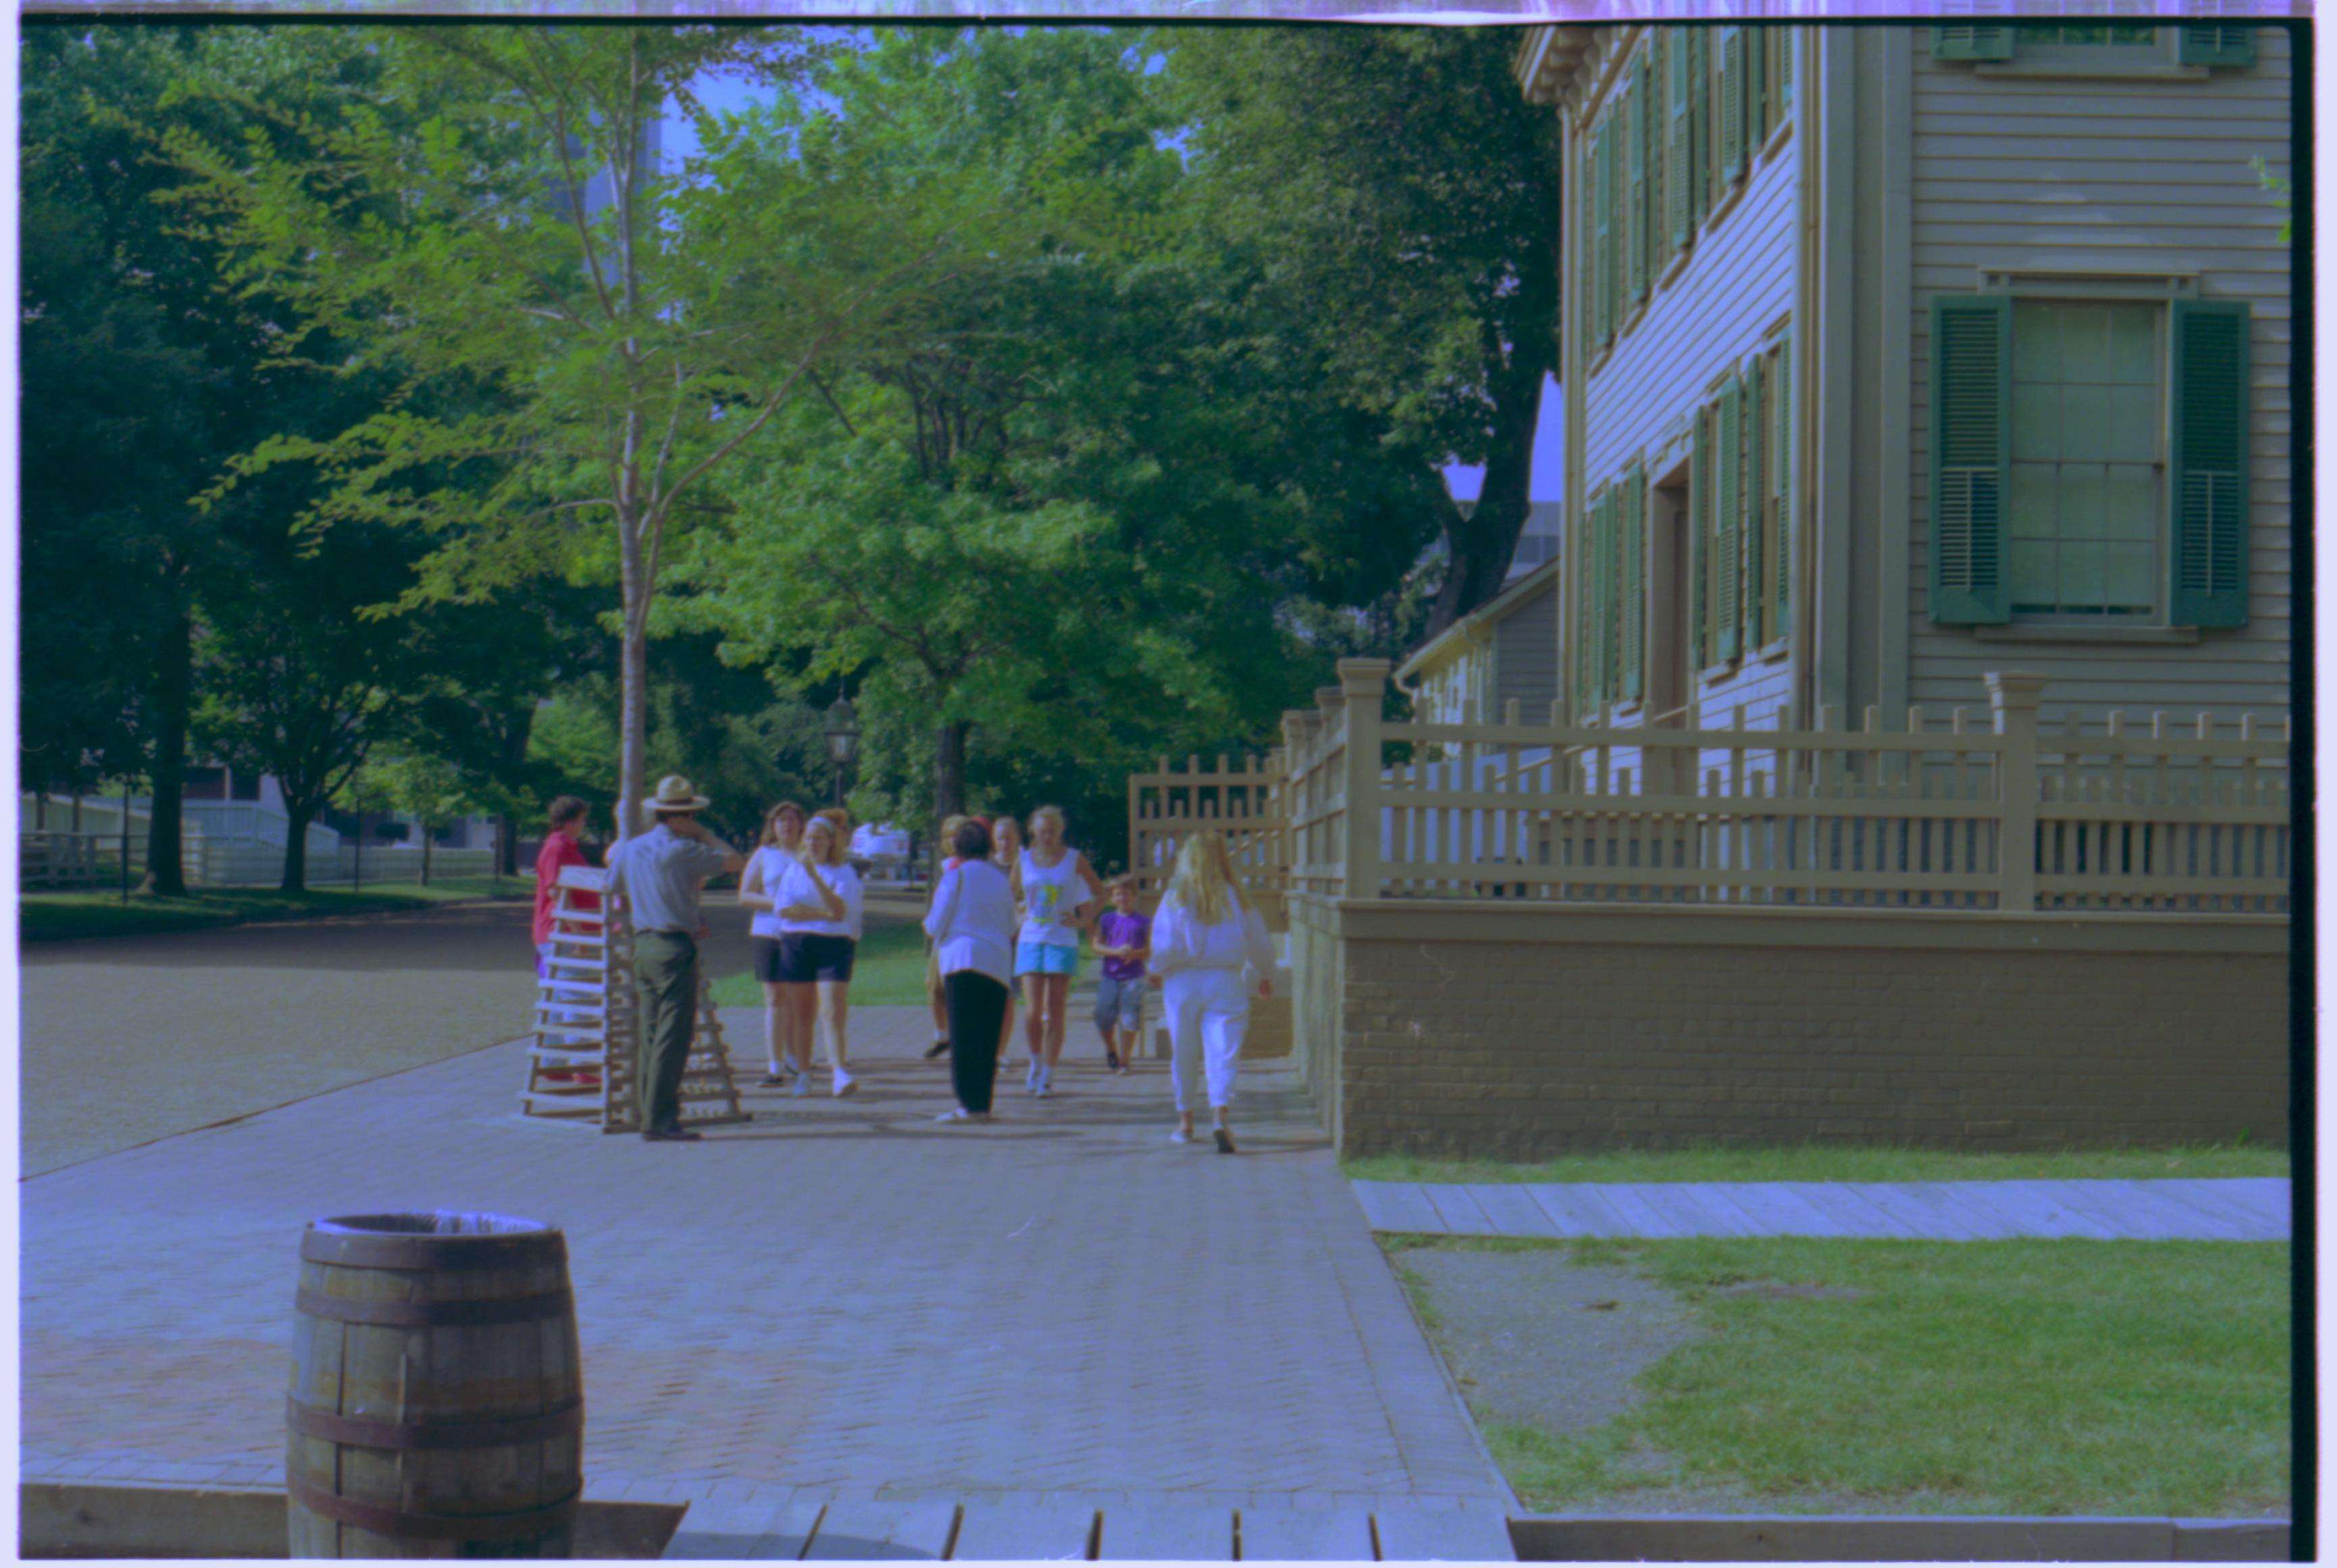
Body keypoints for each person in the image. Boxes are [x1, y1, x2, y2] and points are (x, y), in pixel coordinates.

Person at [604, 775, 745, 1143]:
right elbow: (735, 860)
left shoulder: (632, 848)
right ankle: (662, 1118)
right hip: (674, 945)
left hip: (643, 944)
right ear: (683, 816)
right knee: (673, 1036)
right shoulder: (685, 849)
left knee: (650, 1033)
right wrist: (703, 834)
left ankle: (648, 1112)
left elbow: (614, 884)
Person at [1147, 831, 1274, 1153]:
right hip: (1225, 979)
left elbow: (1168, 944)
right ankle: (1220, 1115)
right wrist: (1265, 973)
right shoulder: (1237, 897)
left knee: (1184, 1052)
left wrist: (1156, 968)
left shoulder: (1175, 895)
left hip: (1183, 981)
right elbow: (1259, 941)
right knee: (1223, 1051)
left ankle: (1186, 1123)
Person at [924, 818, 1016, 1124]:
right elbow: (1011, 925)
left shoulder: (955, 877)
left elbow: (936, 924)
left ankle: (966, 1103)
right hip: (996, 962)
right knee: (988, 1036)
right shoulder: (1000, 880)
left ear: (958, 847)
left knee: (964, 1036)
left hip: (962, 960)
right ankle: (983, 1102)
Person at [1011, 805, 1106, 1098]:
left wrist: (1083, 919)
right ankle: (1035, 1062)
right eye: (1042, 832)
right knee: (1033, 1011)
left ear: (1060, 831)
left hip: (1062, 939)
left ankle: (1049, 1074)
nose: (1047, 837)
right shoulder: (1024, 859)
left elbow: (1100, 893)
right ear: (1033, 832)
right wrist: (1018, 915)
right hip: (1031, 939)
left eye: (1052, 831)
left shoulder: (1074, 859)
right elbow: (1009, 893)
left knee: (1055, 1010)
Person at [783, 810, 864, 1096]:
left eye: (819, 838)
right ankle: (803, 1074)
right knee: (802, 1012)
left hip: (834, 944)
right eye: (809, 838)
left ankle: (838, 1071)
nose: (813, 843)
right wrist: (822, 913)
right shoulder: (792, 870)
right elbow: (786, 910)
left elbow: (840, 910)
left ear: (832, 841)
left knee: (831, 1010)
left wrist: (815, 877)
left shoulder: (844, 872)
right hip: (797, 943)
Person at [738, 802, 810, 1090]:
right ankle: (774, 1065)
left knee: (796, 998)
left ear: (801, 825)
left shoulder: (808, 855)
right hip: (768, 932)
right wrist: (778, 904)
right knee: (774, 998)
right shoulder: (764, 854)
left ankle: (795, 1056)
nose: (786, 826)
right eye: (780, 821)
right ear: (773, 826)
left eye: (792, 821)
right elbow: (745, 894)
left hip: (800, 933)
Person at [531, 795, 602, 1089]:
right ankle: (581, 1064)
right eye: (583, 819)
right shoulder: (557, 847)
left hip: (560, 932)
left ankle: (554, 1063)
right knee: (577, 995)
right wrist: (576, 931)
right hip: (559, 933)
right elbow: (557, 892)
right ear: (571, 820)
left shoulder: (566, 847)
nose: (584, 824)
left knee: (560, 999)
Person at [1089, 873, 1151, 1075]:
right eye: (1118, 895)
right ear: (1112, 898)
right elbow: (1096, 945)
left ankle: (1125, 1060)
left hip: (1134, 976)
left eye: (1126, 894)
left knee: (1130, 1018)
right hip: (1110, 976)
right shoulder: (1107, 919)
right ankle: (1111, 1048)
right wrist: (1116, 952)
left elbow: (1150, 949)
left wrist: (1135, 953)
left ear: (1134, 896)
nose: (1122, 898)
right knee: (1103, 1016)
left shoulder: (1143, 921)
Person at [922, 812, 972, 1060]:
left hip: (959, 936)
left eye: (958, 835)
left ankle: (960, 1036)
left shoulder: (970, 866)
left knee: (956, 989)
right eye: (949, 836)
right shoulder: (947, 866)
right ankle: (942, 1035)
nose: (953, 840)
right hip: (942, 935)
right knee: (934, 986)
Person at [990, 814, 1024, 1070]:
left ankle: (1001, 1051)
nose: (1004, 843)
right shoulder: (987, 868)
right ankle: (988, 1049)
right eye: (1000, 838)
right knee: (991, 997)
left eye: (1009, 838)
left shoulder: (1025, 867)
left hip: (1018, 939)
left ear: (1017, 840)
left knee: (1009, 998)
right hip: (992, 938)